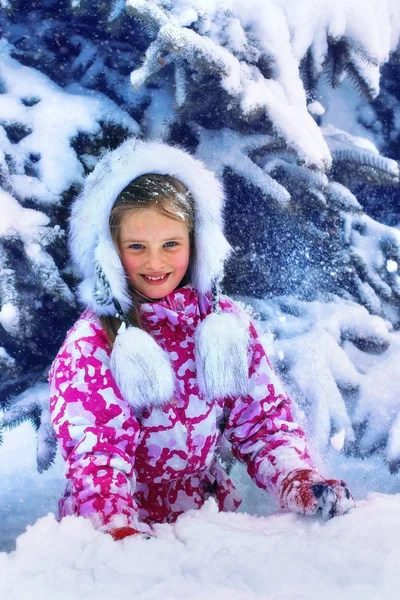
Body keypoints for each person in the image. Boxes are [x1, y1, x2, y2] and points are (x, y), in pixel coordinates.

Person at [49, 138, 354, 540]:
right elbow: (98, 455)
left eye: (170, 244)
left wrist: (296, 478)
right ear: (110, 252)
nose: (155, 262)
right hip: (115, 531)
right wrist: (116, 531)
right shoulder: (93, 345)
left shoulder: (224, 326)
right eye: (137, 247)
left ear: (197, 244)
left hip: (203, 524)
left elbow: (262, 423)